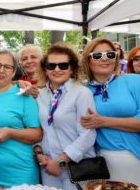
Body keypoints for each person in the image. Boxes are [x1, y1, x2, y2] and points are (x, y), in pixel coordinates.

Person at [80, 38, 140, 187]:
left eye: (110, 54)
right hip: (104, 161)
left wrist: (103, 121)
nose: (104, 58)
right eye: (97, 55)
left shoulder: (134, 81)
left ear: (116, 59)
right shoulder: (83, 91)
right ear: (88, 60)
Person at [0, 49, 42, 188]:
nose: (1, 70)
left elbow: (37, 134)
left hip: (19, 173)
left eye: (7, 67)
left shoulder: (24, 96)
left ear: (14, 71)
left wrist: (10, 132)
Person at [34, 44, 96, 190]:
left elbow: (88, 134)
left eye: (63, 65)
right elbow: (39, 129)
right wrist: (38, 153)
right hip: (49, 167)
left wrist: (61, 161)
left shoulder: (82, 93)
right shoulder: (40, 95)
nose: (57, 69)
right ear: (45, 68)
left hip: (77, 166)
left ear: (72, 68)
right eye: (51, 65)